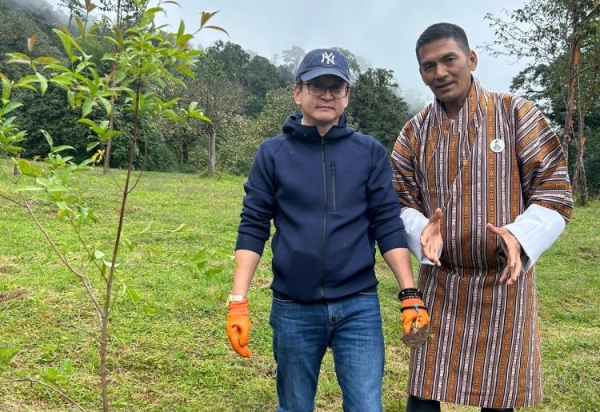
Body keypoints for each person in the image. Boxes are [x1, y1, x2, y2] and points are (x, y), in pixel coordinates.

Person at [226, 48, 427, 412]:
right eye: (317, 85)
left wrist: (409, 294)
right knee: (294, 406)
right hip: (293, 307)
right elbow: (253, 225)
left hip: (358, 305)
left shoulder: (368, 152)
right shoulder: (272, 154)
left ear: (347, 95)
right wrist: (238, 301)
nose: (327, 94)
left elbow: (387, 223)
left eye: (336, 87)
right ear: (297, 92)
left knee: (366, 407)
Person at [390, 23, 574, 412]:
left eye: (449, 60)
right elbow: (396, 199)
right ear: (421, 74)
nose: (440, 72)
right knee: (423, 391)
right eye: (428, 66)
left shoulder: (516, 114)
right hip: (441, 283)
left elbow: (555, 191)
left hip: (504, 282)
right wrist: (422, 229)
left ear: (471, 59)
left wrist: (519, 235)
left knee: (499, 394)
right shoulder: (414, 133)